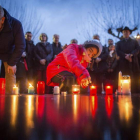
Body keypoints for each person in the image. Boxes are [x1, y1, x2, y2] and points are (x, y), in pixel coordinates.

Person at [0, 6, 25, 94]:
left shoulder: (16, 25)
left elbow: (20, 45)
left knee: (10, 71)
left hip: (9, 51)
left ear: (2, 20)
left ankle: (10, 99)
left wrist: (12, 63)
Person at [116, 26, 140, 93]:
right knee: (124, 76)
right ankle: (125, 90)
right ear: (122, 33)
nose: (125, 33)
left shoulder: (134, 41)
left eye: (127, 32)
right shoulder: (119, 43)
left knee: (134, 76)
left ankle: (135, 91)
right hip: (123, 62)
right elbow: (117, 51)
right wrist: (125, 55)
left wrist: (131, 55)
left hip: (133, 62)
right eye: (124, 32)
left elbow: (137, 49)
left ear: (129, 33)